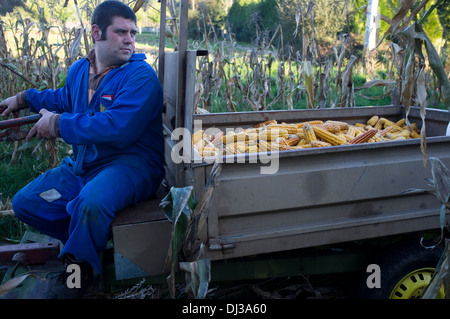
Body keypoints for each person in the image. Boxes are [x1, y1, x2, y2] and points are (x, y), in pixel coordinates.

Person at [0, 1, 164, 298]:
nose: (130, 39)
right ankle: (90, 241)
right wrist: (24, 98)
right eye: (121, 32)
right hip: (83, 164)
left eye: (133, 33)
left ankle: (81, 275)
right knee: (26, 203)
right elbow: (63, 98)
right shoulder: (79, 70)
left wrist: (60, 125)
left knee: (90, 202)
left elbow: (118, 126)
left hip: (130, 165)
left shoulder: (140, 76)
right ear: (97, 32)